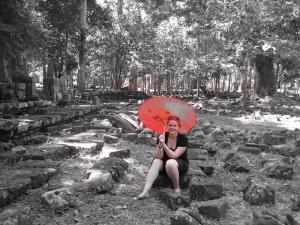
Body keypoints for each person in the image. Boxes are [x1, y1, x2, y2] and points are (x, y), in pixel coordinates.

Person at [136, 115, 189, 199]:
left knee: (170, 163)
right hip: (164, 162)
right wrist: (160, 144)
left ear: (178, 127)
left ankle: (176, 187)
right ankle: (145, 191)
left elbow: (174, 156)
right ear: (167, 126)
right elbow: (159, 156)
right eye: (170, 125)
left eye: (175, 126)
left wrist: (164, 145)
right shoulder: (163, 136)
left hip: (178, 163)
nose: (172, 127)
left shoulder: (183, 138)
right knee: (156, 161)